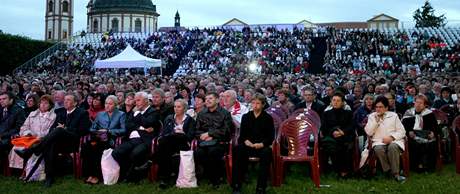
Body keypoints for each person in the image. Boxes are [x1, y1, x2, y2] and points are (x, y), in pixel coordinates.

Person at [15, 93, 91, 187]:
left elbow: (83, 130)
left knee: (58, 131)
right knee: (50, 143)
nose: (65, 102)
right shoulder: (61, 112)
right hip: (58, 142)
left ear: (75, 103)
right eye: (65, 100)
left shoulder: (82, 113)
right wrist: (60, 129)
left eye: (68, 100)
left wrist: (66, 129)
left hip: (73, 142)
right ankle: (49, 177)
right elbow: (51, 129)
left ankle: (32, 150)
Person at [111, 91, 161, 183]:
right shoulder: (134, 111)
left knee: (135, 153)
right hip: (132, 139)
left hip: (145, 140)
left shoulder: (153, 112)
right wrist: (140, 127)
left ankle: (130, 176)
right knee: (116, 153)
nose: (136, 103)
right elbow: (127, 125)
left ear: (146, 101)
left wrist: (138, 114)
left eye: (138, 100)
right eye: (136, 100)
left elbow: (147, 123)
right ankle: (129, 173)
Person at [232, 93, 274, 194]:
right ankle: (237, 185)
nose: (255, 105)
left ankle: (261, 187)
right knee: (238, 150)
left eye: (258, 103)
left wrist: (262, 144)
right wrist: (246, 141)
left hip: (261, 146)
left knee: (267, 153)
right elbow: (242, 135)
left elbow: (271, 137)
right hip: (248, 145)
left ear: (263, 105)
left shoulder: (268, 118)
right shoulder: (246, 117)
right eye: (253, 103)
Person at [8, 95, 55, 181]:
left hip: (41, 140)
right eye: (41, 103)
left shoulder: (53, 116)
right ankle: (18, 171)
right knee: (17, 147)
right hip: (29, 138)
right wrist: (28, 133)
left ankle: (30, 173)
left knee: (34, 148)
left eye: (46, 103)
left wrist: (38, 136)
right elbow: (24, 127)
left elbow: (50, 131)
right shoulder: (32, 114)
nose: (43, 105)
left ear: (50, 105)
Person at [81, 95, 126, 184]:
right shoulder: (100, 114)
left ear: (115, 105)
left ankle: (97, 176)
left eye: (110, 104)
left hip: (111, 139)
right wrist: (99, 131)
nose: (107, 106)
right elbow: (92, 128)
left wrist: (108, 131)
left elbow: (123, 130)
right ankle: (89, 174)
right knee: (86, 147)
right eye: (106, 103)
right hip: (98, 137)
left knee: (96, 148)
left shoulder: (121, 114)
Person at [194, 92, 233, 187]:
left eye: (210, 98)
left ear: (217, 100)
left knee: (213, 151)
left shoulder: (225, 113)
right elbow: (196, 130)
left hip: (220, 142)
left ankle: (215, 179)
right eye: (206, 99)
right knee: (198, 153)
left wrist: (210, 134)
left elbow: (226, 131)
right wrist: (204, 136)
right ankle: (205, 175)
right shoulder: (202, 113)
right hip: (204, 142)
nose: (207, 100)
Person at [365, 96, 406, 182]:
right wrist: (376, 122)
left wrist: (391, 137)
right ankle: (388, 171)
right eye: (376, 107)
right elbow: (369, 132)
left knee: (393, 147)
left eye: (380, 107)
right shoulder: (372, 116)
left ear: (386, 108)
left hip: (393, 140)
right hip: (378, 141)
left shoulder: (393, 116)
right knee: (379, 149)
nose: (378, 109)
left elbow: (402, 131)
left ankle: (396, 174)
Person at [156, 99, 196, 189]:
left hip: (183, 144)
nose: (176, 109)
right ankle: (166, 178)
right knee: (166, 145)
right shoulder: (169, 118)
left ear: (184, 108)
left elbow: (190, 136)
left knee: (164, 144)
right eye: (175, 106)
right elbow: (163, 133)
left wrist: (181, 134)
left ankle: (164, 177)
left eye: (179, 107)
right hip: (169, 144)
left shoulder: (190, 120)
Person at [320, 92, 354, 177]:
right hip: (330, 136)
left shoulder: (348, 113)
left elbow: (351, 126)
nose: (335, 102)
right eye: (334, 100)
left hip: (344, 135)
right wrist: (333, 132)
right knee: (332, 145)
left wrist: (342, 132)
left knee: (344, 144)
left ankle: (343, 170)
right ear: (331, 102)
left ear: (342, 102)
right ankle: (339, 169)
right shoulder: (326, 113)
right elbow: (324, 127)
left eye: (338, 101)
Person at [402, 94, 439, 172]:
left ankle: (429, 166)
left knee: (432, 143)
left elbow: (435, 127)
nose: (418, 105)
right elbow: (403, 127)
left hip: (426, 135)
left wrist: (433, 133)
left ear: (425, 105)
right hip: (412, 136)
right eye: (416, 102)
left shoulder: (429, 114)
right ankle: (416, 166)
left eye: (420, 103)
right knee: (414, 144)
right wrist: (409, 132)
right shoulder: (408, 113)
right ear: (414, 103)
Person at [0, 92, 26, 158]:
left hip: (9, 138)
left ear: (11, 100)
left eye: (4, 99)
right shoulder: (1, 109)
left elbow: (18, 128)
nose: (1, 101)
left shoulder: (19, 111)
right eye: (0, 99)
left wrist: (2, 135)